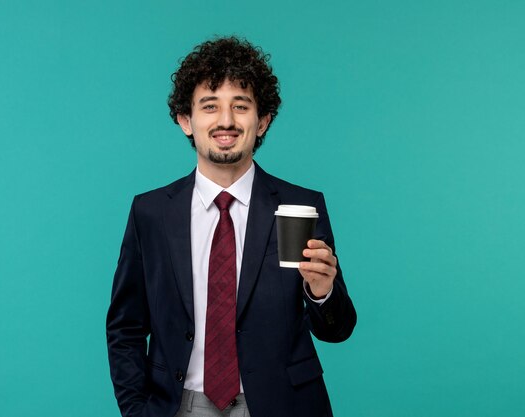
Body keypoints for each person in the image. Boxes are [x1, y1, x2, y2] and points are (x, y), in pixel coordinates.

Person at [106, 36, 356, 417]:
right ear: (186, 121)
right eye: (210, 107)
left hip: (282, 404)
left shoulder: (302, 206)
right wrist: (137, 410)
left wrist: (322, 292)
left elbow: (336, 331)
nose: (226, 121)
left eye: (241, 106)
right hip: (179, 405)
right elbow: (125, 327)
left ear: (263, 121)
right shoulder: (151, 212)